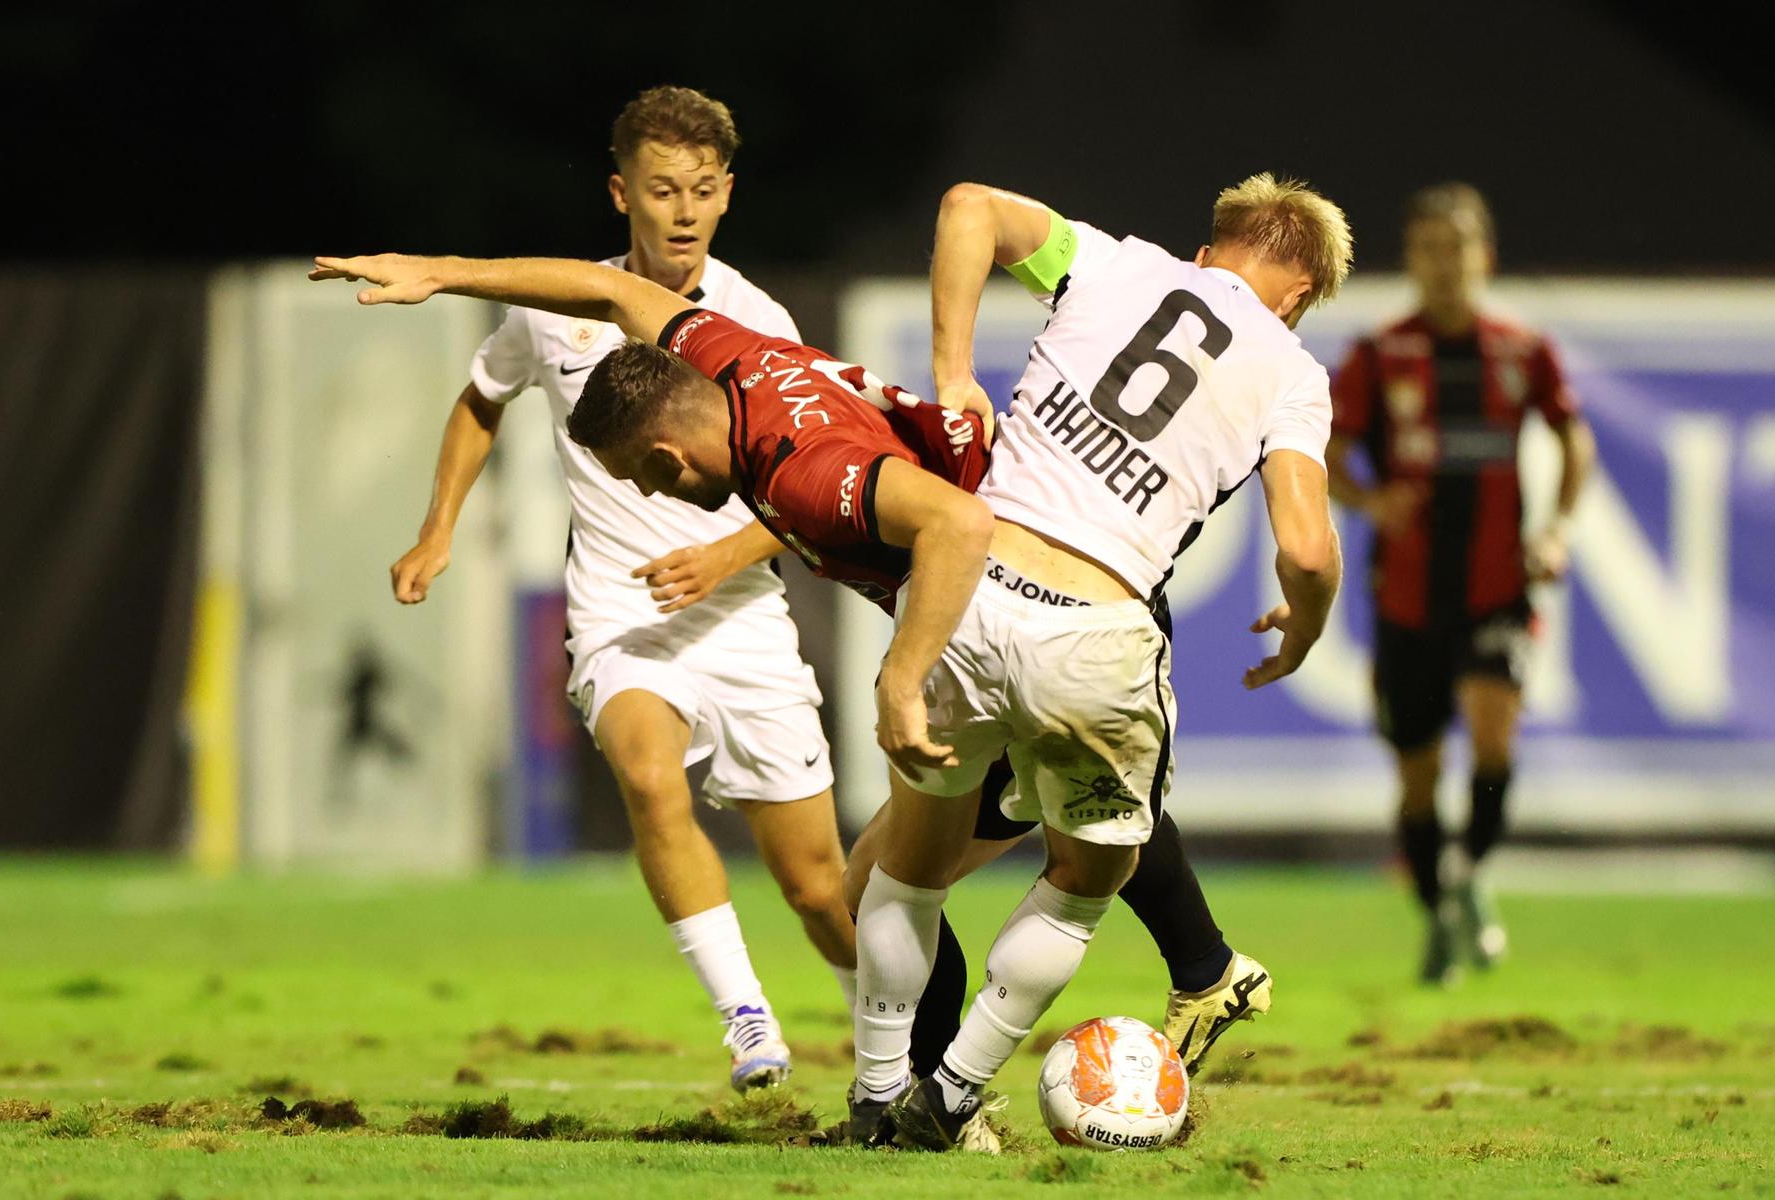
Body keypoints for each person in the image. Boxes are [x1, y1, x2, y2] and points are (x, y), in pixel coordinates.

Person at [310, 230, 1274, 1148]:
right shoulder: (729, 357)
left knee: (1024, 868)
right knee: (884, 881)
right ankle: (897, 1093)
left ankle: (955, 1093)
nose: (648, 498)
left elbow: (955, 525)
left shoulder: (804, 472)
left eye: (643, 481)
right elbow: (607, 289)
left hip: (1023, 612)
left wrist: (902, 678)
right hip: (1029, 607)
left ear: (669, 456)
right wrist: (439, 271)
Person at [853, 175, 1350, 1151]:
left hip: (971, 588)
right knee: (1087, 875)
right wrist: (1307, 621)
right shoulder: (1291, 371)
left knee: (902, 872)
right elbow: (1309, 548)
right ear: (1297, 298)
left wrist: (955, 373)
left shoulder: (1112, 261)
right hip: (1096, 627)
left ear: (1212, 250)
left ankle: (876, 1097)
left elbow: (967, 207)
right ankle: (951, 1094)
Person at [377, 85, 857, 1092]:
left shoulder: (756, 323)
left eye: (703, 191)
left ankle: (899, 1034)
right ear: (620, 194)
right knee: (647, 775)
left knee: (818, 888)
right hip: (619, 615)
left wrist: (725, 557)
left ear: (727, 197)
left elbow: (816, 488)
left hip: (740, 618)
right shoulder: (555, 307)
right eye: (661, 190)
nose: (683, 212)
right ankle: (750, 1024)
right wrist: (436, 530)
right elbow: (483, 397)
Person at [1326, 182, 1593, 985]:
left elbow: (1571, 436)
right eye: (1428, 250)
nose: (1445, 266)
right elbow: (1326, 449)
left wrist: (1555, 526)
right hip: (1406, 595)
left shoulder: (1521, 351)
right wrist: (1372, 499)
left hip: (1497, 586)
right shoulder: (1381, 355)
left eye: (1459, 249)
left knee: (1491, 725)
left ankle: (1469, 873)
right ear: (1411, 260)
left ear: (1486, 256)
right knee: (1416, 774)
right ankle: (1444, 904)